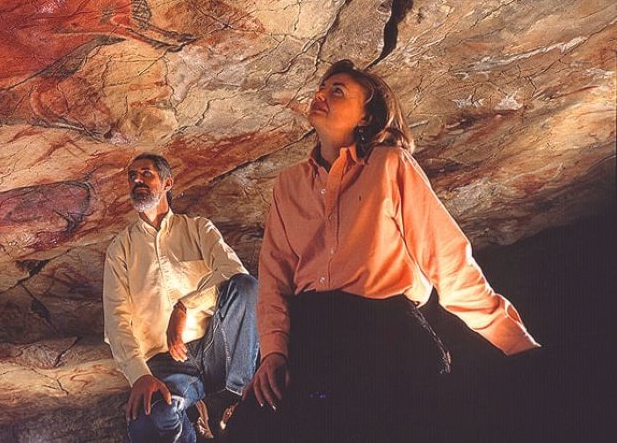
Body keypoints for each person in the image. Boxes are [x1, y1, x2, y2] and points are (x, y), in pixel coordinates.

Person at [227, 59, 540, 442]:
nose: (321, 94)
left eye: (337, 90)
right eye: (322, 87)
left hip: (384, 335)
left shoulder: (391, 165)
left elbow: (447, 259)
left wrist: (518, 344)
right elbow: (274, 278)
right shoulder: (288, 185)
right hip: (313, 337)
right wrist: (274, 353)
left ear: (366, 116)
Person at [103, 153, 259, 442]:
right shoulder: (120, 249)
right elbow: (116, 320)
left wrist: (184, 306)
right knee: (147, 420)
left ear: (167, 182)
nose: (137, 180)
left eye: (146, 173)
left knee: (246, 287)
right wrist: (139, 375)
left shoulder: (198, 228)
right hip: (165, 364)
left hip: (216, 346)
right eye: (132, 176)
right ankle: (192, 419)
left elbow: (234, 272)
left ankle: (232, 399)